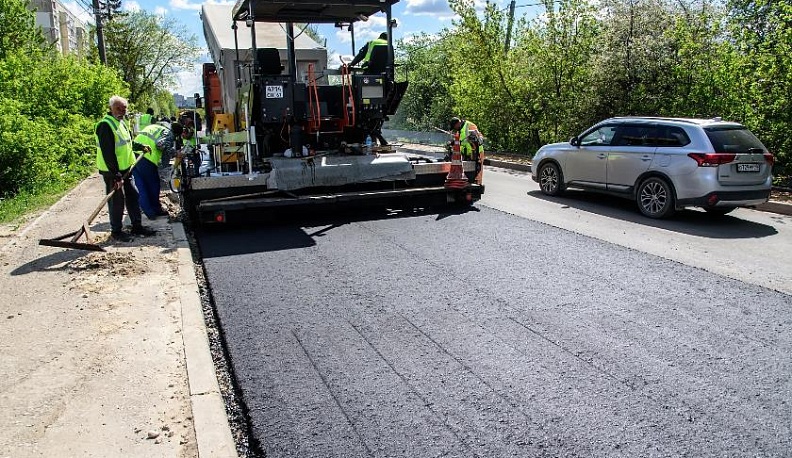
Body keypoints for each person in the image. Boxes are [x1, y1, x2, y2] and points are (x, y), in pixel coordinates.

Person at [95, 95, 156, 242]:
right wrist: (116, 175)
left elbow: (127, 143)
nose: (122, 111)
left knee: (133, 195)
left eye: (124, 108)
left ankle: (137, 226)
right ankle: (116, 231)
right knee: (117, 201)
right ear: (110, 108)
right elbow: (108, 152)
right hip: (112, 171)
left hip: (126, 169)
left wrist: (140, 147)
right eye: (118, 108)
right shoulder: (105, 125)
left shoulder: (122, 123)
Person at [132, 121, 182, 219]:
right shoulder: (168, 133)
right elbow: (161, 144)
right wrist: (175, 153)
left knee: (141, 186)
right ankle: (156, 210)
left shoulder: (155, 127)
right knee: (153, 185)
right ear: (176, 134)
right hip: (146, 157)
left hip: (134, 155)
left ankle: (149, 212)